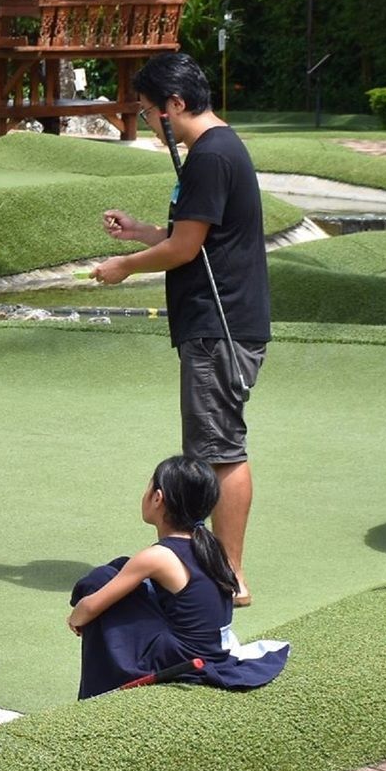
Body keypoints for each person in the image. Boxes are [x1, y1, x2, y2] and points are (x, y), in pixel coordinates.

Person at [91, 52, 271, 605]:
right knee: (212, 445)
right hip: (216, 321)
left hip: (220, 325)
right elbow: (191, 240)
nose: (147, 122)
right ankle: (222, 568)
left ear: (175, 105)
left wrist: (122, 267)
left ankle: (232, 576)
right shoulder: (213, 151)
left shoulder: (210, 155)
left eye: (147, 112)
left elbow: (186, 249)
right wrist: (141, 232)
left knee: (221, 450)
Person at [66, 456, 287, 700]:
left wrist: (77, 619)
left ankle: (96, 694)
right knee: (120, 570)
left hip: (183, 659)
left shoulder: (157, 557)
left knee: (101, 579)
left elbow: (89, 607)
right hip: (213, 651)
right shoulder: (212, 545)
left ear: (158, 498)